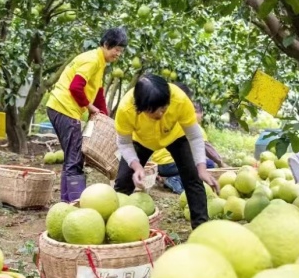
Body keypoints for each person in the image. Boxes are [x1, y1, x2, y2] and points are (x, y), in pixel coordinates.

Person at [114, 74, 219, 229]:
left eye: (164, 108)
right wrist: (137, 167)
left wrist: (202, 168)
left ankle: (201, 228)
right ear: (140, 107)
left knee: (193, 178)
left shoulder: (180, 99)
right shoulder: (126, 109)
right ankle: (116, 223)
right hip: (141, 139)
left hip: (175, 136)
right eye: (153, 111)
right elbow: (124, 143)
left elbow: (195, 136)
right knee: (123, 182)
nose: (160, 114)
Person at [46, 28, 128, 202]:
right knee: (75, 159)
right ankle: (76, 203)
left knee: (72, 157)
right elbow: (75, 87)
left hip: (62, 108)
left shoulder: (99, 63)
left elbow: (98, 95)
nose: (118, 54)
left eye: (121, 51)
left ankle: (68, 201)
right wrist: (89, 107)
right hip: (64, 108)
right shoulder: (92, 60)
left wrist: (105, 119)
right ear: (106, 44)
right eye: (117, 50)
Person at [154, 101, 224, 193]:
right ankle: (175, 179)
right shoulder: (194, 127)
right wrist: (221, 163)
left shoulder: (175, 123)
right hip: (171, 165)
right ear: (200, 113)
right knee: (208, 164)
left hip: (160, 166)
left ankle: (169, 178)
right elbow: (208, 150)